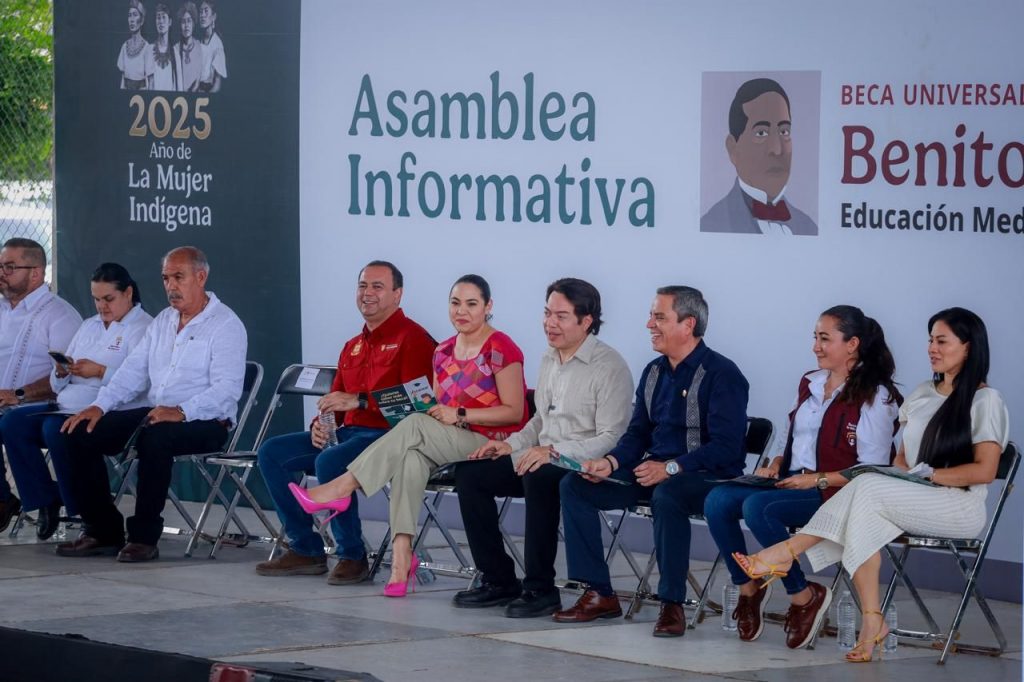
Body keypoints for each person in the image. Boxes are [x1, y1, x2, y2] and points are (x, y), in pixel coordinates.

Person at [734, 307, 1009, 663]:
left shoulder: (986, 400)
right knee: (866, 504)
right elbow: (901, 460)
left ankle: (786, 552)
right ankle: (872, 621)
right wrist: (905, 476)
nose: (932, 349)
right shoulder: (924, 393)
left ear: (968, 347)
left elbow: (985, 471)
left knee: (867, 487)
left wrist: (926, 476)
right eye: (930, 340)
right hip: (912, 496)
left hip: (958, 505)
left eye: (942, 341)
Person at [296, 274, 529, 597]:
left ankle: (343, 486)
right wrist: (433, 411)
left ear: (488, 307)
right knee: (410, 456)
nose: (461, 311)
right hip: (450, 439)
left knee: (416, 425)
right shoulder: (443, 351)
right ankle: (402, 559)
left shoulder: (500, 347)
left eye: (472, 304)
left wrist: (460, 414)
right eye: (455, 303)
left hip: (492, 442)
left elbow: (515, 412)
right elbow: (435, 407)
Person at [553, 286, 749, 638]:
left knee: (668, 494)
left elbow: (727, 447)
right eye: (651, 316)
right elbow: (637, 434)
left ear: (688, 324)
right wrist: (610, 462)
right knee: (576, 485)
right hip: (653, 472)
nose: (649, 325)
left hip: (707, 477)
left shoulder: (723, 374)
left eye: (659, 317)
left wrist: (672, 467)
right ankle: (599, 593)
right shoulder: (653, 372)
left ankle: (671, 604)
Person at [703, 305, 902, 648]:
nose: (816, 347)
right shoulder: (811, 382)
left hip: (836, 490)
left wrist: (817, 479)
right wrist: (776, 462)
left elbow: (873, 469)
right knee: (717, 501)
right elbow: (791, 436)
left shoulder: (876, 396)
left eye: (825, 339)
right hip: (794, 479)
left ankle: (803, 596)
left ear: (852, 344)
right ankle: (749, 588)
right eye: (815, 338)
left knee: (759, 508)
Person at [452, 278, 634, 617]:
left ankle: (540, 589)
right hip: (540, 455)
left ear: (586, 321)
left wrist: (553, 452)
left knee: (538, 475)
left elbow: (613, 436)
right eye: (547, 313)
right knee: (471, 475)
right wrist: (508, 445)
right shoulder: (550, 357)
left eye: (561, 316)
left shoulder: (610, 367)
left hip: (583, 464)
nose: (550, 323)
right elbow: (539, 420)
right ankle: (498, 579)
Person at [57, 246, 247, 563]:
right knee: (79, 431)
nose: (171, 286)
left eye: (179, 277)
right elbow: (132, 372)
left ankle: (144, 538)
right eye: (166, 278)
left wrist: (182, 411)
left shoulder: (225, 325)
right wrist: (100, 406)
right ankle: (102, 530)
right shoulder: (162, 321)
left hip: (206, 421)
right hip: (158, 413)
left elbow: (226, 391)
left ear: (201, 277)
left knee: (155, 437)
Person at [255, 261, 435, 584]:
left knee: (331, 460)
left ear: (397, 294)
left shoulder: (414, 339)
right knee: (272, 452)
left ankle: (352, 556)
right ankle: (306, 548)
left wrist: (361, 400)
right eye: (363, 286)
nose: (368, 293)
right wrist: (321, 425)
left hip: (391, 436)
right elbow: (335, 403)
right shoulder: (352, 346)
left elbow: (419, 404)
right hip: (349, 434)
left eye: (377, 286)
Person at [2, 264, 152, 540]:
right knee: (13, 422)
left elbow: (144, 383)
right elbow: (58, 383)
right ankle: (45, 498)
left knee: (57, 428)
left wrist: (100, 371)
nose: (102, 306)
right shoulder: (89, 325)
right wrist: (62, 372)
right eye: (96, 299)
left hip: (113, 410)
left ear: (128, 293)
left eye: (108, 299)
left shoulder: (143, 328)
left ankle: (82, 513)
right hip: (66, 404)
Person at [0, 238, 82, 531]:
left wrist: (18, 395)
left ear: (35, 273)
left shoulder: (60, 315)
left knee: (10, 421)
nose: (2, 273)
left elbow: (67, 375)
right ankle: (5, 498)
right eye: (0, 266)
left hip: (42, 406)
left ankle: (35, 498)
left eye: (10, 267)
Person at [700, 78, 817, 236]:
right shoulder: (711, 225)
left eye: (784, 131)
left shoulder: (808, 227)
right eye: (761, 133)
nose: (777, 150)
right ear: (733, 149)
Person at [117, 0, 152, 90]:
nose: (132, 20)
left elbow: (150, 81)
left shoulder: (147, 48)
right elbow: (122, 79)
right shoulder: (124, 47)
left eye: (135, 15)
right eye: (129, 15)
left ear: (142, 20)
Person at [197, 1, 226, 92]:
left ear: (213, 16)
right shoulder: (197, 41)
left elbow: (217, 83)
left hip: (207, 92)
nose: (202, 15)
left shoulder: (217, 45)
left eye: (206, 11)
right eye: (201, 12)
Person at [175, 3, 204, 92]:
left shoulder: (200, 46)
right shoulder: (175, 49)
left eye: (189, 21)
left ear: (193, 23)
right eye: (183, 22)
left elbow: (199, 78)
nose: (186, 25)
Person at [148, 4, 178, 91]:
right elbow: (147, 83)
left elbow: (179, 85)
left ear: (170, 22)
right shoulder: (149, 50)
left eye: (164, 17)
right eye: (158, 18)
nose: (161, 21)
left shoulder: (175, 52)